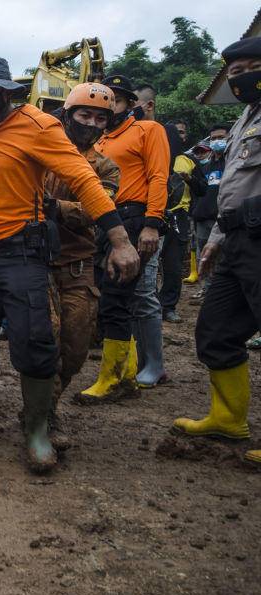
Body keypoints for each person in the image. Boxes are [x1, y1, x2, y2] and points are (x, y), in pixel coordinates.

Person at [0, 55, 139, 473]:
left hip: (20, 253)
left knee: (35, 343)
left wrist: (119, 238)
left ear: (8, 94)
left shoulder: (38, 126)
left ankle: (37, 432)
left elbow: (84, 180)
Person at [172, 37, 261, 465]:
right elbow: (233, 187)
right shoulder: (246, 117)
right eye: (236, 72)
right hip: (237, 239)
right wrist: (214, 242)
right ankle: (229, 419)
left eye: (250, 68)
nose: (242, 78)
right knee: (216, 329)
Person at [76, 73, 169, 401]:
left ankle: (125, 375)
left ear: (129, 103)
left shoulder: (148, 130)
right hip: (106, 219)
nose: (106, 104)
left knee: (124, 294)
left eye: (114, 99)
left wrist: (152, 223)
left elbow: (159, 176)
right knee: (111, 296)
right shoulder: (99, 141)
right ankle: (124, 371)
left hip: (134, 215)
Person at [43, 82, 120, 439]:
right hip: (37, 260)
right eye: (84, 114)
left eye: (99, 118)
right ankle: (41, 416)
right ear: (68, 115)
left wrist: (53, 207)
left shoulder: (106, 167)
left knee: (75, 345)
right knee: (43, 339)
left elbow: (96, 209)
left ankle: (49, 406)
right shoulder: (41, 151)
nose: (91, 123)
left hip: (77, 263)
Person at [157, 122, 203, 323]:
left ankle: (168, 307)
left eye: (178, 133)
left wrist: (189, 179)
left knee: (173, 265)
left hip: (178, 217)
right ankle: (147, 305)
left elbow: (203, 189)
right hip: (152, 214)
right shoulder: (153, 155)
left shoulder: (189, 160)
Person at [187, 126, 229, 302]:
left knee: (224, 257)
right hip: (203, 217)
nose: (217, 141)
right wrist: (190, 181)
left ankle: (222, 293)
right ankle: (206, 290)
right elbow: (201, 191)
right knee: (205, 255)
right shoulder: (205, 166)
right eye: (213, 138)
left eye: (221, 137)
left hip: (224, 219)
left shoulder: (232, 163)